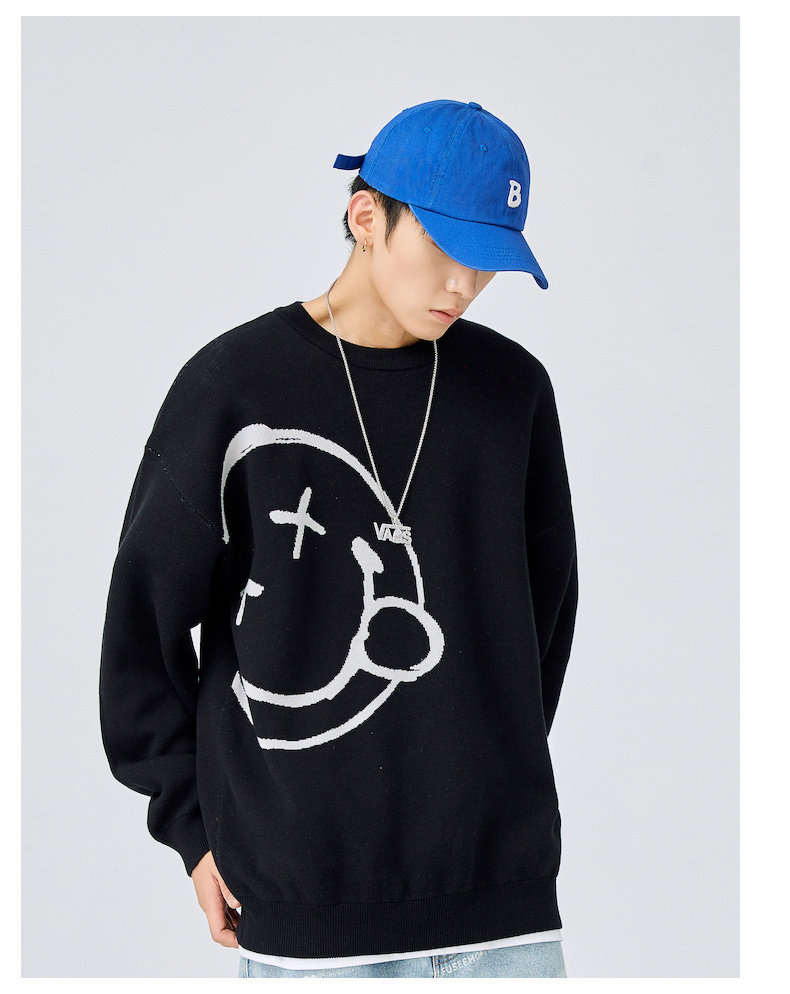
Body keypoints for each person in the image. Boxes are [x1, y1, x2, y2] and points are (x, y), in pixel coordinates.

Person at [98, 98, 578, 980]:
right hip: (303, 907)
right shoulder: (234, 385)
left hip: (503, 909)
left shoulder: (513, 393)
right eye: (445, 248)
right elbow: (143, 624)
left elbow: (543, 623)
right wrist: (192, 827)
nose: (464, 284)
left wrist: (477, 767)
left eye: (488, 261)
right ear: (366, 216)